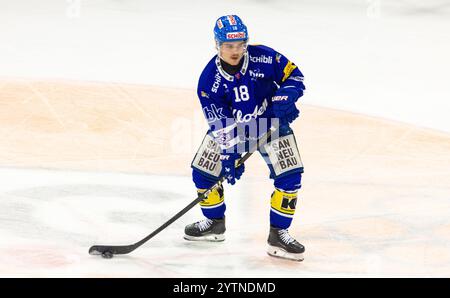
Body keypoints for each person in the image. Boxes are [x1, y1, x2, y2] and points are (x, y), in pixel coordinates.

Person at [185, 15, 306, 261]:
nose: (235, 50)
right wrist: (229, 155)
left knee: (290, 175)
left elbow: (295, 76)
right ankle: (214, 223)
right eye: (229, 46)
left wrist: (285, 99)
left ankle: (278, 234)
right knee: (204, 172)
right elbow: (220, 124)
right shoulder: (209, 81)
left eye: (240, 44)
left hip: (271, 123)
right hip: (235, 129)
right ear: (217, 45)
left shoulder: (264, 57)